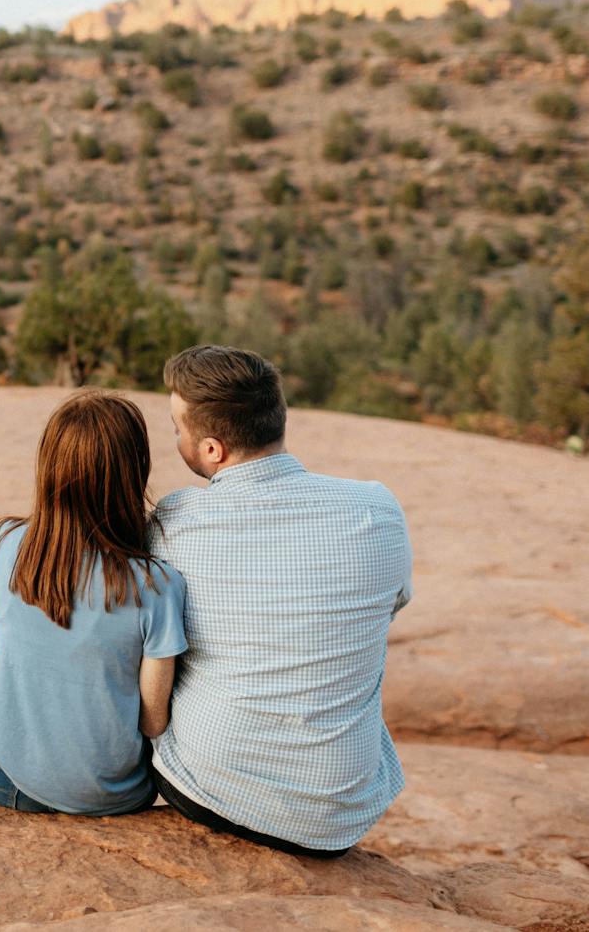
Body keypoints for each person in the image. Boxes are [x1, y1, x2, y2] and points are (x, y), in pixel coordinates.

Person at [149, 344, 413, 857]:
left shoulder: (175, 522)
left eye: (177, 428)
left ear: (211, 450)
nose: (175, 439)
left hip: (209, 793)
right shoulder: (378, 508)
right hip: (338, 814)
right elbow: (391, 605)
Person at [0, 388, 188, 816]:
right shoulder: (157, 586)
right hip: (106, 795)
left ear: (48, 469)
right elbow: (152, 721)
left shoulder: (6, 541)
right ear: (135, 471)